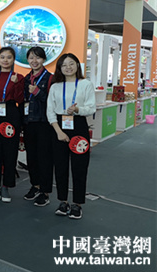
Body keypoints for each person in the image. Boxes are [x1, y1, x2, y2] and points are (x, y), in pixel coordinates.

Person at [47, 53, 95, 219]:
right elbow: (50, 111)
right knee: (60, 167)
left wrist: (78, 109)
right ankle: (63, 201)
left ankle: (77, 204)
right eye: (64, 65)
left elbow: (91, 107)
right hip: (59, 127)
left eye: (71, 64)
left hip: (79, 125)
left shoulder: (85, 84)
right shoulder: (55, 86)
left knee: (79, 167)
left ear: (77, 66)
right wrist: (58, 131)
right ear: (59, 68)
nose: (68, 67)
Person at [0, 47, 24, 204]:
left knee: (10, 153)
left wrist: (16, 85)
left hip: (11, 114)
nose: (5, 60)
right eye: (2, 57)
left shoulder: (18, 77)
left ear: (13, 60)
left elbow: (20, 100)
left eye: (9, 57)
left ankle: (7, 186)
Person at [22, 47, 53, 207]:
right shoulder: (26, 79)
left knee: (44, 158)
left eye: (38, 58)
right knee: (31, 157)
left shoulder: (50, 78)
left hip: (44, 123)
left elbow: (53, 102)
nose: (34, 61)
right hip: (29, 123)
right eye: (31, 58)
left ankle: (45, 191)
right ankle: (35, 185)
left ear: (44, 59)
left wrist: (38, 92)